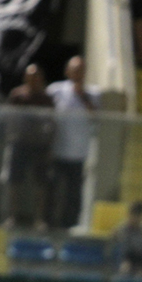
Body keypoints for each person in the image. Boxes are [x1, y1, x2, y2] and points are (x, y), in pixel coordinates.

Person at [46, 56, 101, 230]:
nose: (78, 73)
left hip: (79, 153)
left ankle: (69, 225)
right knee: (52, 189)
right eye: (75, 70)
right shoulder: (55, 90)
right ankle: (48, 222)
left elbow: (96, 118)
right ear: (67, 71)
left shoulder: (94, 93)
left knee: (74, 193)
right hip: (57, 151)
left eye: (81, 70)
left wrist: (82, 96)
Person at [1, 64, 55, 231]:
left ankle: (39, 219)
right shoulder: (17, 95)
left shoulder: (46, 98)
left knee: (41, 183)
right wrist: (11, 137)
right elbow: (9, 118)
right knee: (14, 182)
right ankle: (11, 217)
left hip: (40, 145)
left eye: (36, 77)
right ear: (25, 78)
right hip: (20, 143)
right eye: (30, 77)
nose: (33, 80)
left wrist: (49, 144)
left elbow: (52, 122)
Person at [113, 200, 142, 278]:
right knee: (125, 270)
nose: (134, 219)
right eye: (132, 215)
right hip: (126, 257)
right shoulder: (122, 228)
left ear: (141, 217)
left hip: (140, 257)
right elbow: (120, 244)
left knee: (141, 274)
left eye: (137, 216)